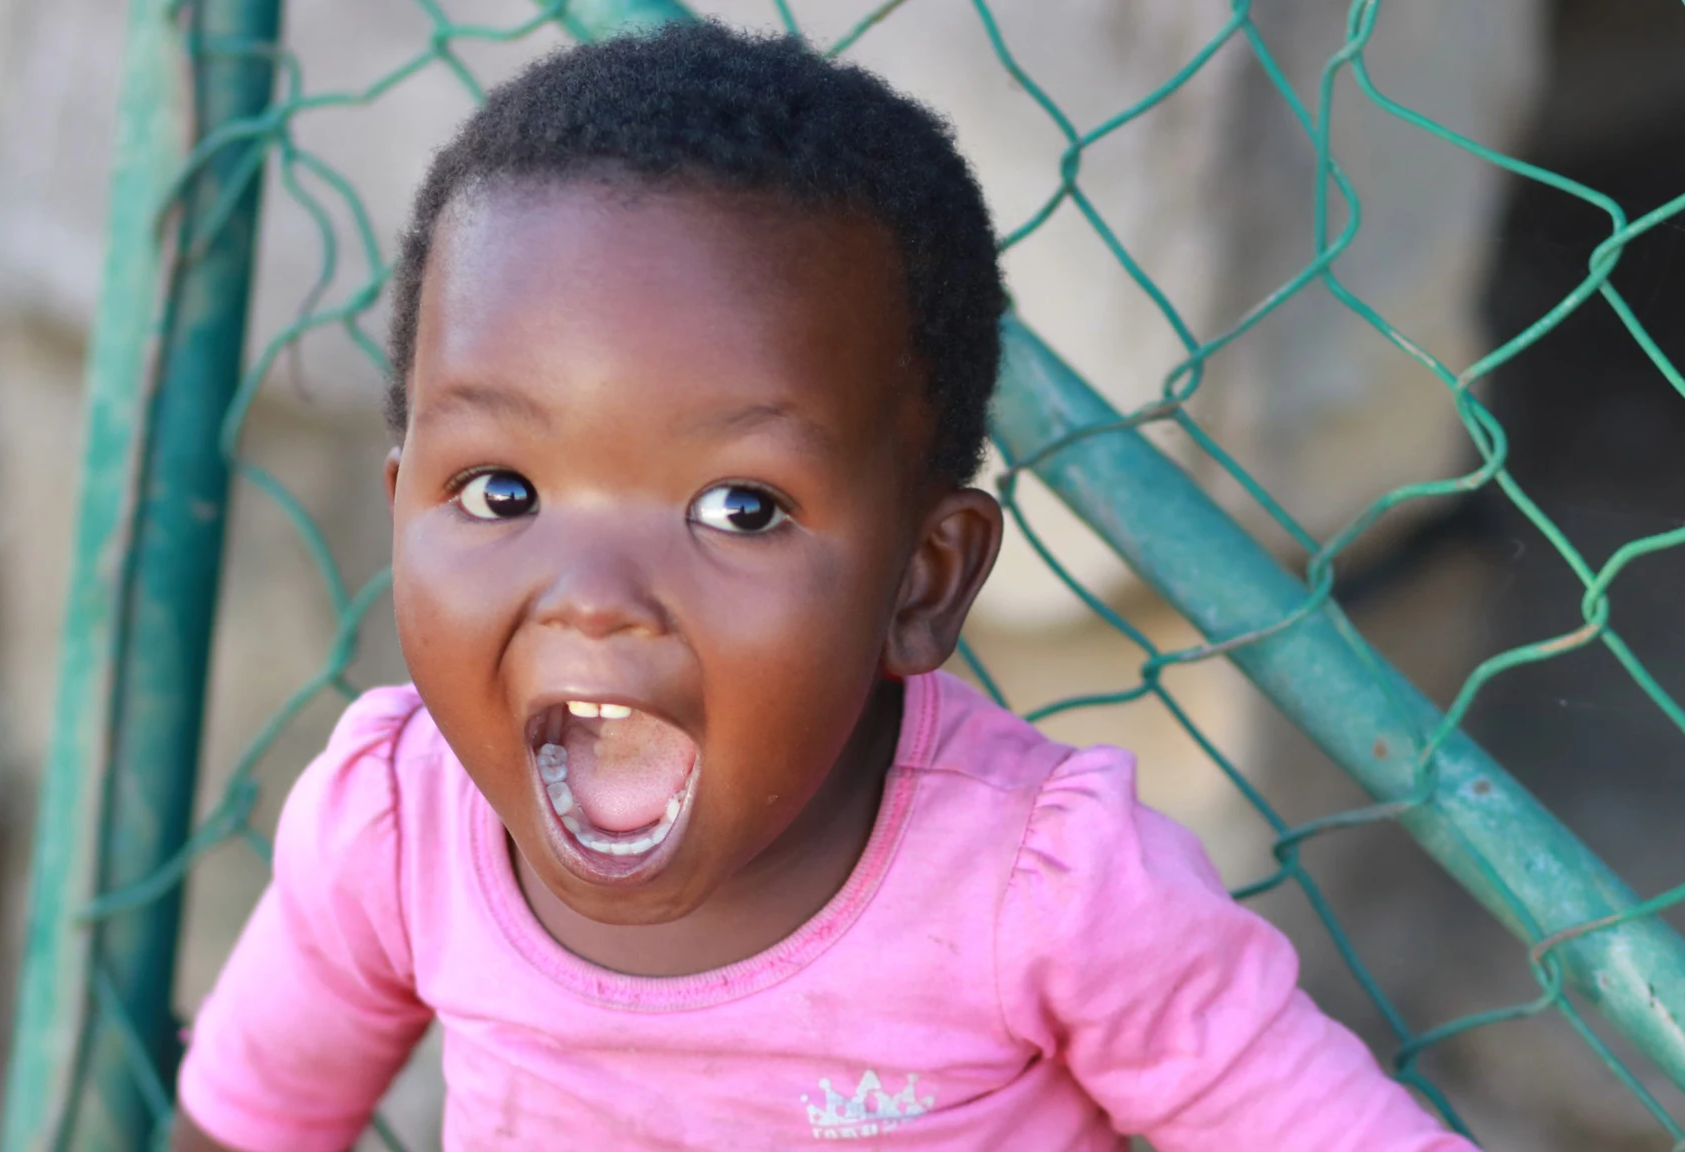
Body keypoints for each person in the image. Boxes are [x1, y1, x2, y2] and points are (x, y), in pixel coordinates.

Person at [173, 22, 1475, 1151]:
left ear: (925, 578)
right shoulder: (395, 828)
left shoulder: (1047, 892)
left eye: (740, 509)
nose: (596, 596)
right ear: (402, 501)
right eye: (501, 493)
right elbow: (247, 1120)